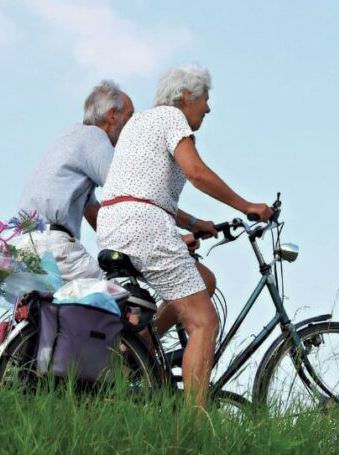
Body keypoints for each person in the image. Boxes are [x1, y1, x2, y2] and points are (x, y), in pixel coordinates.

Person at [97, 63, 273, 410]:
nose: (208, 108)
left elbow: (143, 188)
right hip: (143, 226)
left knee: (203, 280)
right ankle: (193, 427)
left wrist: (193, 223)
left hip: (115, 224)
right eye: (206, 99)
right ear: (187, 96)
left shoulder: (139, 123)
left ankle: (139, 351)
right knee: (204, 321)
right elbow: (196, 172)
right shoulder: (172, 118)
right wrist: (246, 205)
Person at [15, 80, 135, 280]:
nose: (133, 125)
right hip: (53, 246)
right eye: (130, 116)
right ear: (112, 115)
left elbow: (94, 213)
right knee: (116, 302)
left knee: (64, 309)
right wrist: (175, 234)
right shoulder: (94, 137)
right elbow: (130, 191)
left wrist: (131, 246)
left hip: (25, 246)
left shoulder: (69, 138)